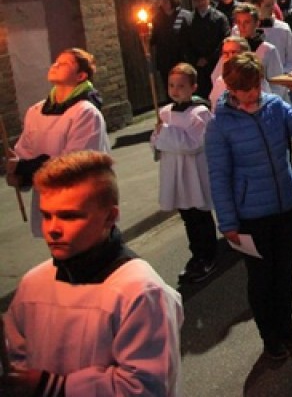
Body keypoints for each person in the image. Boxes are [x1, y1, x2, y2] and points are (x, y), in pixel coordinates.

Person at [2, 151, 184, 396]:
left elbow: (143, 387)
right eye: (47, 215)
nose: (53, 229)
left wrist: (53, 387)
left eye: (69, 216)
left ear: (110, 216)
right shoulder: (33, 283)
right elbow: (16, 355)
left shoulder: (141, 292)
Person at [205, 53, 292, 362]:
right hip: (252, 215)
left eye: (256, 85)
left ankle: (287, 326)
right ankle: (270, 336)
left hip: (287, 206)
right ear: (230, 87)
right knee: (262, 277)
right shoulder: (219, 126)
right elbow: (219, 176)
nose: (253, 93)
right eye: (245, 88)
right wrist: (227, 222)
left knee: (285, 272)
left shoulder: (274, 107)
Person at [6, 49, 111, 237]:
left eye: (65, 64)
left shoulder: (85, 112)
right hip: (50, 202)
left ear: (81, 76)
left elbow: (74, 164)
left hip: (80, 201)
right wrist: (18, 175)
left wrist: (23, 168)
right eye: (56, 61)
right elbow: (25, 151)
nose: (56, 65)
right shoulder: (36, 111)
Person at [151, 63, 218, 283]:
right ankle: (196, 255)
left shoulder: (200, 113)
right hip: (174, 173)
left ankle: (208, 255)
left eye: (181, 85)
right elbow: (156, 143)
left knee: (200, 215)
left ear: (193, 87)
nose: (175, 90)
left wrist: (167, 134)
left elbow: (193, 144)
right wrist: (158, 136)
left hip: (193, 174)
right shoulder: (165, 113)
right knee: (187, 217)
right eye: (171, 85)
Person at [185, 0, 230, 99]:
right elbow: (185, 43)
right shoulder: (189, 19)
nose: (200, 3)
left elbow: (225, 39)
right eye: (196, 0)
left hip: (215, 62)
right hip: (197, 65)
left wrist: (209, 58)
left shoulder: (219, 18)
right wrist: (195, 59)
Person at [150, 0, 193, 90]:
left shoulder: (185, 15)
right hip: (165, 60)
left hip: (182, 58)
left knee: (184, 85)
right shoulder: (157, 18)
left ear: (172, 0)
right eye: (161, 0)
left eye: (166, 0)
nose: (163, 3)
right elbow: (153, 39)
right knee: (169, 86)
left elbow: (191, 38)